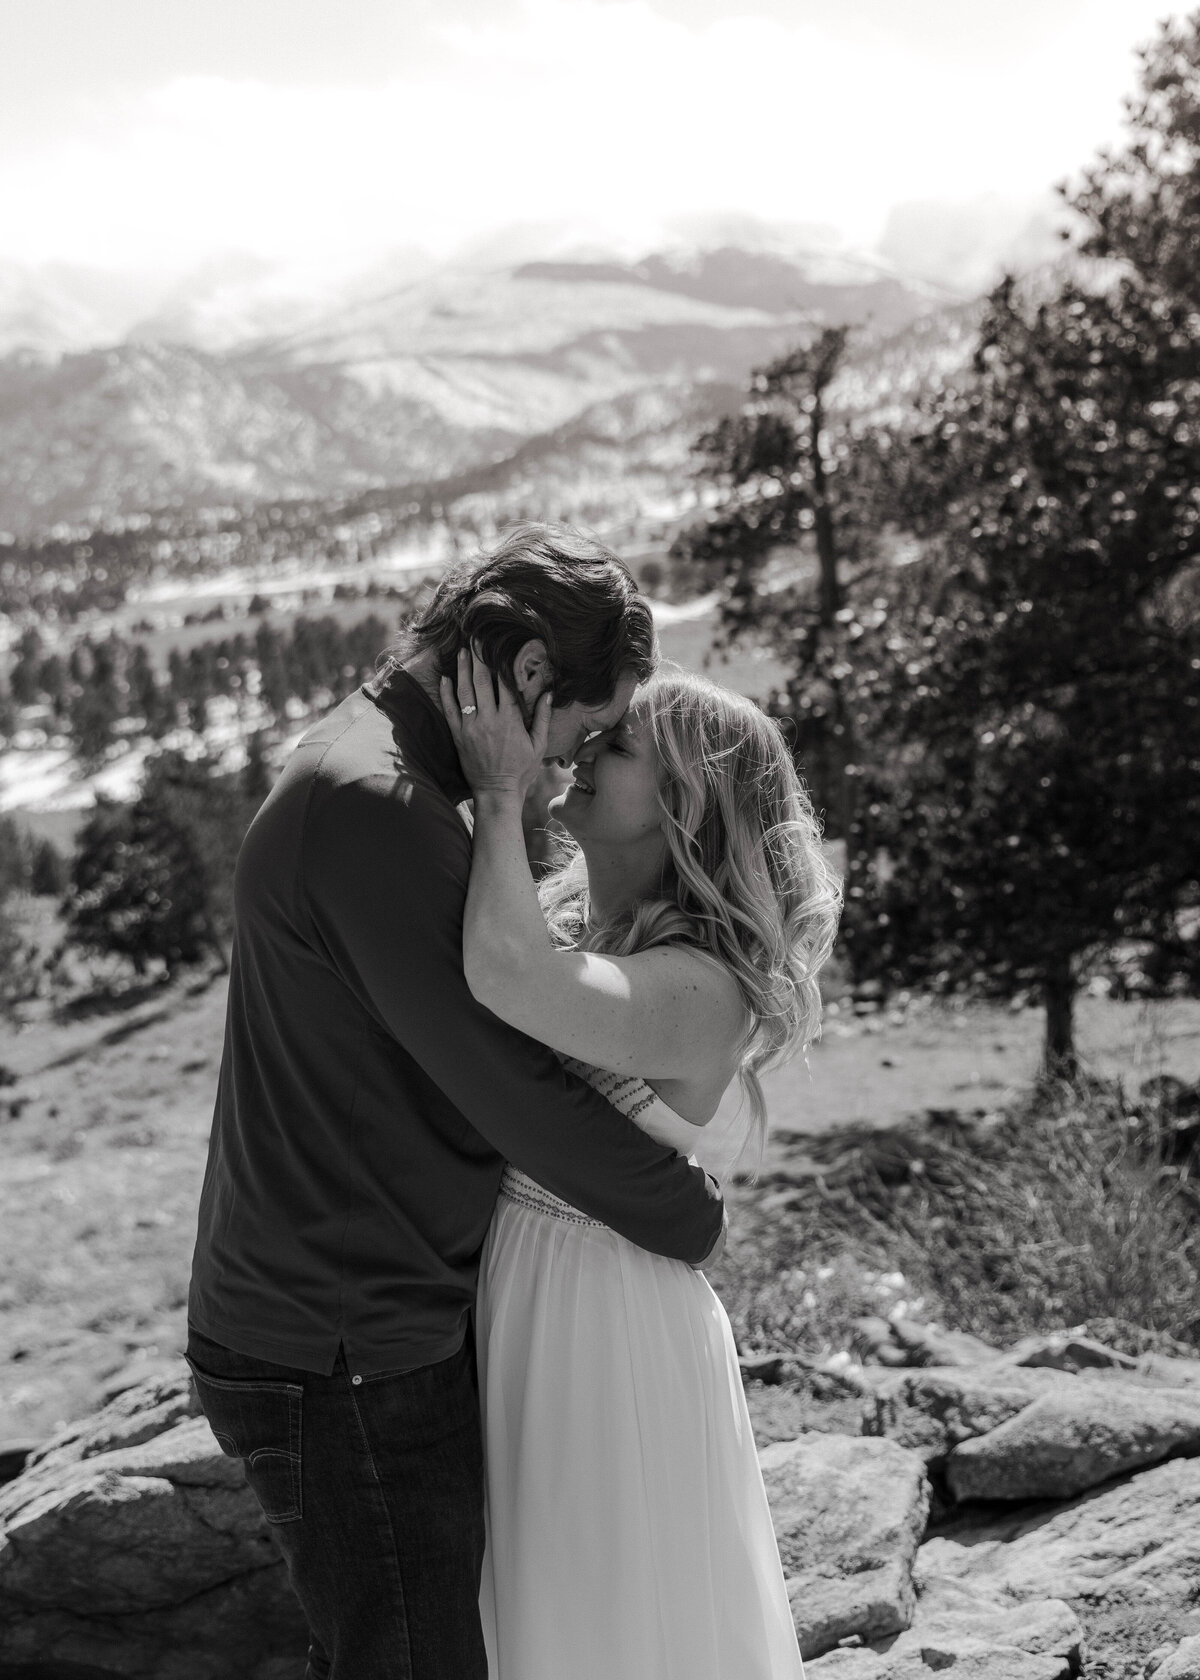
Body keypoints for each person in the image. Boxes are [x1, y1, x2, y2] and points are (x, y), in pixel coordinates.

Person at [185, 525, 726, 1680]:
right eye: (584, 729)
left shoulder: (386, 769)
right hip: (342, 1349)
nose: (581, 761)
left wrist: (511, 803)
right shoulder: (375, 805)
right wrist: (688, 1217)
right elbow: (507, 1091)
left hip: (353, 1323)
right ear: (530, 675)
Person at [440, 650, 842, 1680]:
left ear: (684, 810)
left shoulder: (702, 987)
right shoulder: (575, 920)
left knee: (600, 1613)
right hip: (520, 1291)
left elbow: (504, 976)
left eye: (613, 746)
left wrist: (499, 789)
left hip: (601, 1319)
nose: (579, 750)